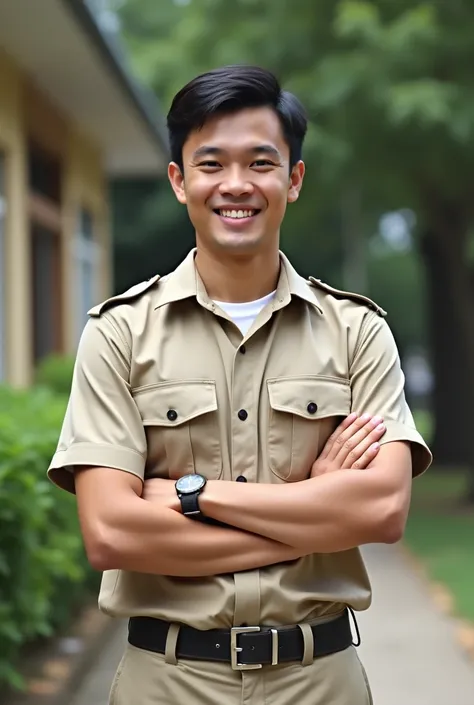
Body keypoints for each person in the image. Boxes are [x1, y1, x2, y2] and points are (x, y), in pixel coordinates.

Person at [48, 65, 432, 705]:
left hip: (320, 680)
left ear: (294, 179)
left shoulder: (355, 332)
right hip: (167, 681)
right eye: (211, 164)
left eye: (260, 163)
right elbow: (112, 533)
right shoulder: (120, 334)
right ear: (179, 181)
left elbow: (381, 511)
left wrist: (192, 497)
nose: (236, 185)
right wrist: (312, 508)